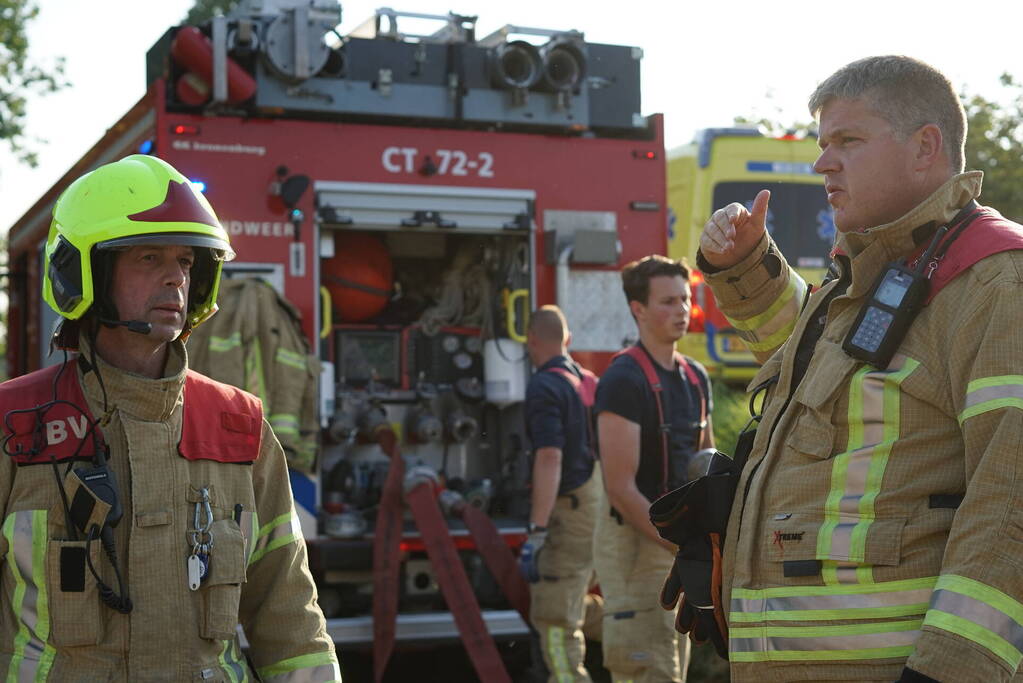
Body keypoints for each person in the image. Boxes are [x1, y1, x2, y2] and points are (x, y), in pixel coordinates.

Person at [695, 56, 1023, 682]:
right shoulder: (874, 273)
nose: (823, 163)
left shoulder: (997, 283)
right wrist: (746, 267)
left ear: (925, 147)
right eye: (823, 144)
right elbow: (806, 371)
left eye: (847, 141)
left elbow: (1012, 501)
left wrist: (951, 671)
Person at [0, 154, 340, 681]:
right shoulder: (14, 423)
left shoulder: (238, 425)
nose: (176, 278)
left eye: (185, 261)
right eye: (149, 257)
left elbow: (290, 615)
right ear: (84, 271)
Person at [594, 255, 713, 683]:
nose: (681, 310)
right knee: (649, 669)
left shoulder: (696, 377)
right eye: (667, 301)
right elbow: (621, 490)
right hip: (638, 544)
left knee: (671, 667)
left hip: (677, 544)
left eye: (685, 299)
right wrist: (676, 544)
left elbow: (707, 463)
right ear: (638, 309)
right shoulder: (623, 380)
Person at [519, 305, 602, 683]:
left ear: (531, 340)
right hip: (598, 505)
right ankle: (638, 632)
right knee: (575, 597)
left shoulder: (544, 386)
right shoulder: (588, 381)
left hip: (569, 512)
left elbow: (550, 457)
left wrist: (537, 531)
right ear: (568, 339)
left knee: (554, 616)